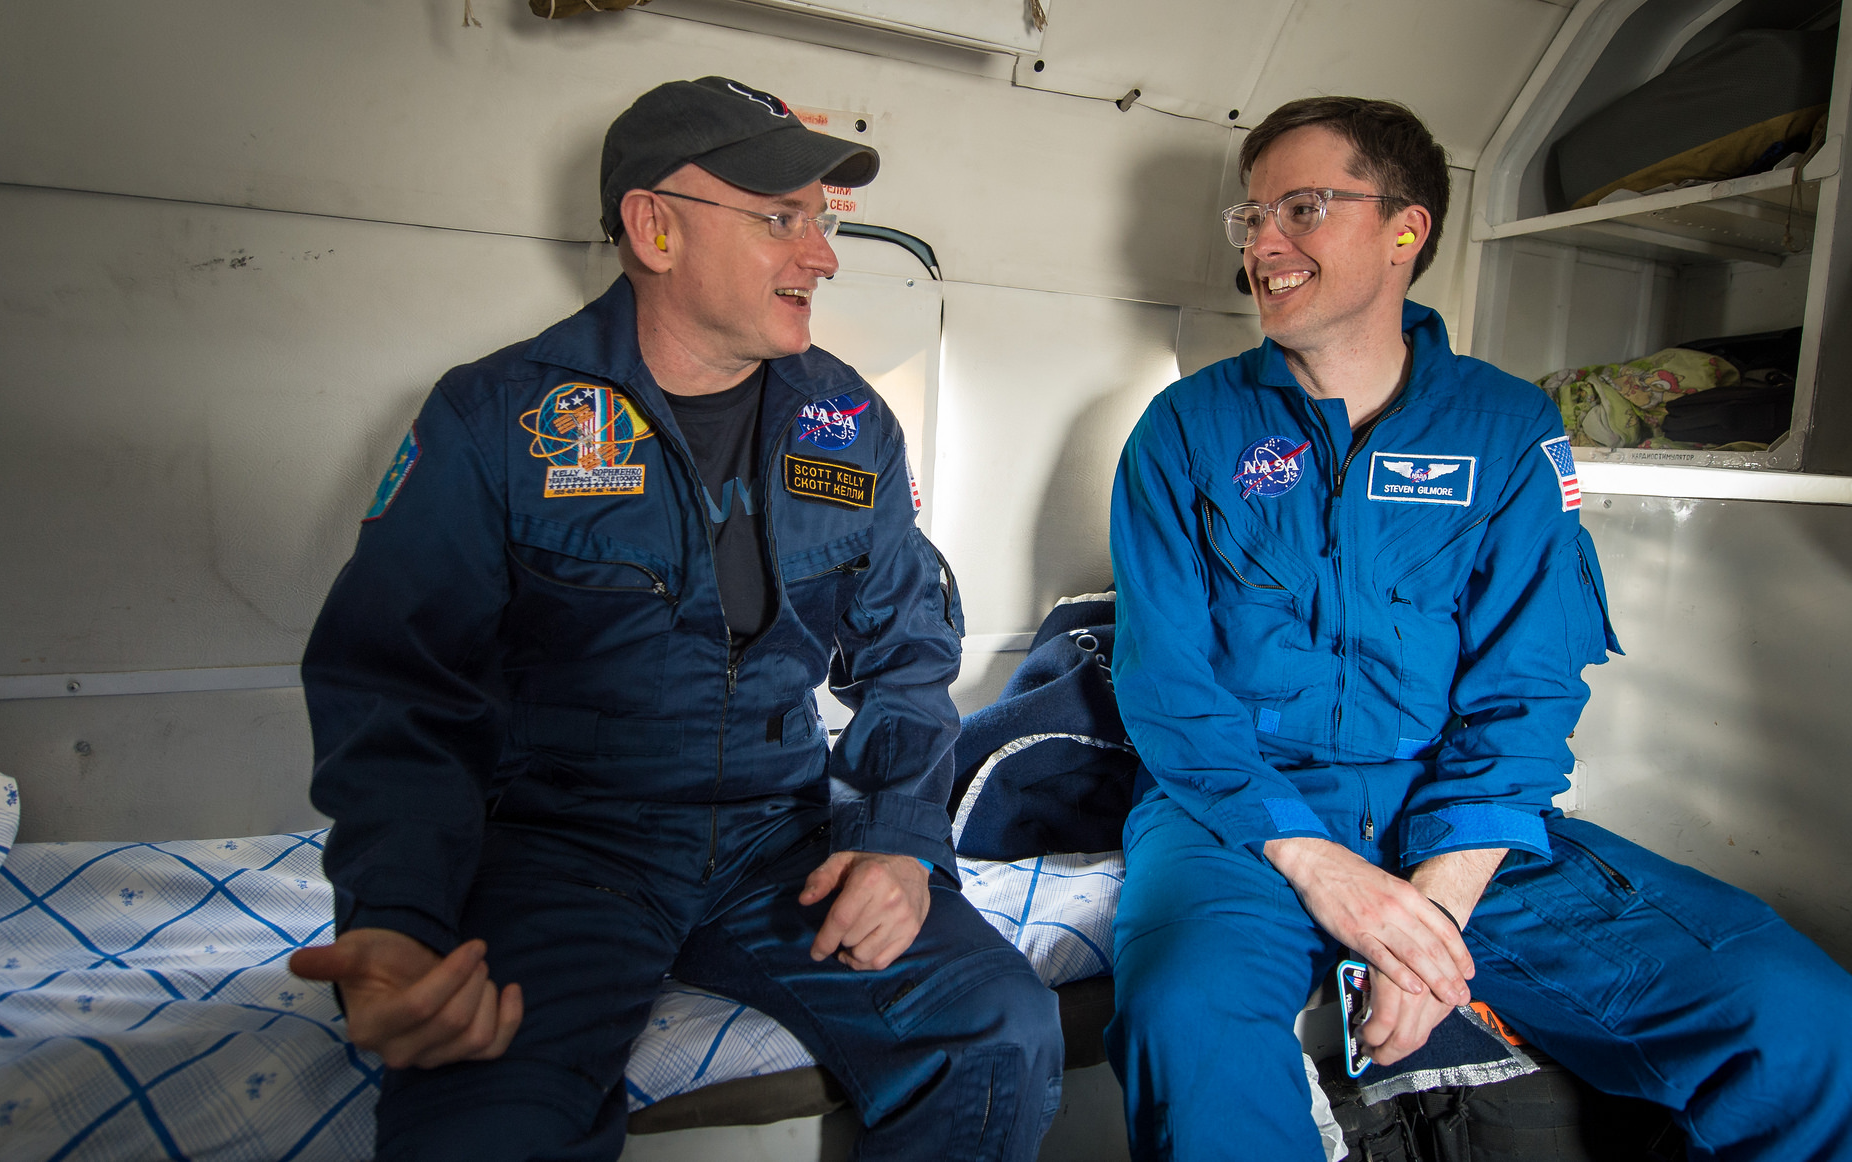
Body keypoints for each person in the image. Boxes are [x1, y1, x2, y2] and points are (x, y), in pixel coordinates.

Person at [286, 76, 1063, 1161]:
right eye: (781, 218)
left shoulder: (845, 422)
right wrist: (397, 921)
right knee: (479, 1123)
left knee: (1000, 1029)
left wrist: (894, 841)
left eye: (822, 217)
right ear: (652, 229)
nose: (824, 254)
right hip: (562, 844)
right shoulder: (497, 420)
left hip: (776, 836)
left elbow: (907, 662)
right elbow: (399, 692)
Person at [1105, 95, 1852, 1160]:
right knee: (1184, 1027)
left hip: (1454, 824)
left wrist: (1428, 921)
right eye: (1252, 216)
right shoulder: (1183, 429)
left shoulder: (1505, 430)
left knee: (1796, 1017)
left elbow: (1525, 691)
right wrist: (1319, 865)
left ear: (1404, 229)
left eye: (1301, 209)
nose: (1261, 244)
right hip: (1235, 818)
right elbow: (1168, 690)